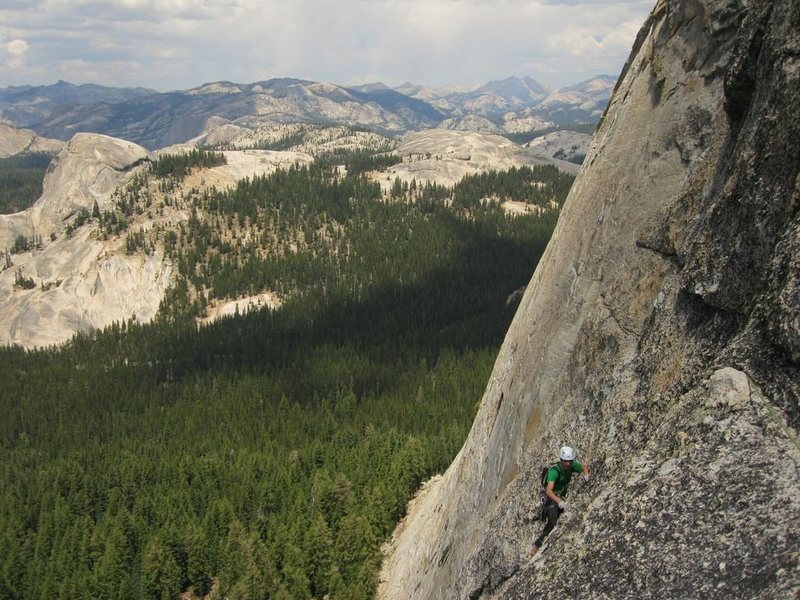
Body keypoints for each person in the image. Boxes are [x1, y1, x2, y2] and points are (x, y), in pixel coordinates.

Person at [529, 445, 590, 557]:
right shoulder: (554, 471)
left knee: (552, 525)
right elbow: (548, 490)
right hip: (551, 500)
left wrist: (586, 475)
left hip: (561, 498)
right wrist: (559, 501)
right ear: (561, 460)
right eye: (566, 461)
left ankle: (537, 545)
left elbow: (584, 466)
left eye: (570, 461)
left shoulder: (571, 465)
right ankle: (536, 546)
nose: (568, 464)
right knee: (553, 524)